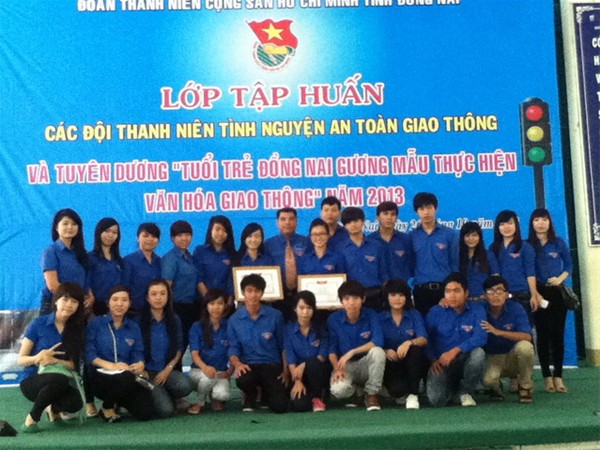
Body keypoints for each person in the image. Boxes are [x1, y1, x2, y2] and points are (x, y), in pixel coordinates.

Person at [18, 283, 85, 433]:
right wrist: (38, 357)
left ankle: (53, 410)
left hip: (62, 380)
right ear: (55, 301)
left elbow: (74, 365)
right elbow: (21, 360)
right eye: (65, 299)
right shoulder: (38, 324)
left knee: (75, 403)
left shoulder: (77, 330)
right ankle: (32, 419)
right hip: (33, 381)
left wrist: (55, 361)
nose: (69, 305)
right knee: (58, 379)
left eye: (74, 301)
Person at [85, 285, 153, 422]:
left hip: (125, 378)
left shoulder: (134, 327)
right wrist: (112, 366)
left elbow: (138, 352)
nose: (119, 304)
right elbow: (89, 354)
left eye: (124, 300)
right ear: (108, 303)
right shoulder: (96, 324)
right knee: (126, 377)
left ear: (130, 303)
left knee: (145, 412)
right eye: (115, 299)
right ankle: (107, 407)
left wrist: (140, 364)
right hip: (100, 376)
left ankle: (118, 402)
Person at [227, 274, 289, 413]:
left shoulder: (276, 316)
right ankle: (250, 395)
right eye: (249, 291)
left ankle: (266, 394)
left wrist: (285, 371)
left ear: (262, 293)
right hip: (249, 366)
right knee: (244, 379)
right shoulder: (234, 320)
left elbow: (283, 346)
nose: (253, 295)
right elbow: (233, 348)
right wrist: (238, 364)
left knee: (280, 407)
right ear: (243, 293)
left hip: (271, 365)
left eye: (257, 291)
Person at [527, 208, 573, 394]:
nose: (540, 223)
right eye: (536, 220)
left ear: (549, 222)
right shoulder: (528, 245)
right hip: (538, 293)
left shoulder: (558, 242)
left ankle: (558, 376)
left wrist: (561, 278)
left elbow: (569, 264)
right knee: (543, 335)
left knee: (558, 334)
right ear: (532, 223)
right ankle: (546, 376)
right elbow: (527, 270)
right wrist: (535, 293)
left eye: (544, 219)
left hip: (557, 293)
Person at [425, 272, 487, 408]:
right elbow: (426, 339)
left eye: (456, 291)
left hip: (465, 359)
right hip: (442, 362)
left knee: (479, 354)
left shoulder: (477, 310)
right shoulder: (435, 311)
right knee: (436, 401)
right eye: (448, 291)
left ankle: (465, 391)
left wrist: (455, 350)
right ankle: (454, 389)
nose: (452, 295)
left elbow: (481, 337)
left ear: (466, 293)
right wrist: (432, 359)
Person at [328, 280, 386, 411]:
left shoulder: (371, 315)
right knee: (338, 390)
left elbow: (378, 341)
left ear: (363, 299)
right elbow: (331, 349)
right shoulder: (333, 319)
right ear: (341, 301)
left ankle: (371, 394)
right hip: (345, 365)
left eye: (355, 298)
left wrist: (352, 352)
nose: (351, 302)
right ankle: (355, 392)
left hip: (366, 363)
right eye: (347, 299)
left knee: (378, 352)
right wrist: (337, 368)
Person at [140, 279, 193, 418]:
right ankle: (155, 395)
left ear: (168, 296)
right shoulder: (139, 321)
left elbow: (179, 348)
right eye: (154, 294)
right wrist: (142, 370)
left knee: (186, 385)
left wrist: (168, 369)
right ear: (147, 298)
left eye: (162, 293)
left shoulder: (175, 319)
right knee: (166, 411)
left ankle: (165, 393)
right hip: (147, 373)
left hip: (166, 371)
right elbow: (135, 350)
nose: (158, 297)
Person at [481, 275, 534, 403]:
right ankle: (496, 386)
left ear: (506, 294)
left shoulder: (516, 308)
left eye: (499, 291)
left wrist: (499, 332)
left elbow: (527, 336)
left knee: (525, 347)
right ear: (485, 295)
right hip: (492, 358)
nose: (495, 295)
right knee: (488, 380)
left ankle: (525, 386)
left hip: (512, 356)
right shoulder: (479, 310)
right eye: (490, 291)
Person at [378, 279, 428, 409]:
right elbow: (375, 342)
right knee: (397, 391)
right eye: (393, 295)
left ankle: (413, 394)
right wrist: (385, 351)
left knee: (416, 350)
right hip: (391, 362)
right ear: (387, 297)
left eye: (401, 295)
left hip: (411, 360)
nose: (397, 299)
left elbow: (423, 338)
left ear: (407, 297)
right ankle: (400, 390)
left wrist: (409, 342)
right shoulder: (379, 318)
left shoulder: (414, 314)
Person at [409, 193, 459, 316]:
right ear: (416, 212)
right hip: (421, 292)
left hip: (444, 291)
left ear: (436, 209)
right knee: (423, 326)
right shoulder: (411, 237)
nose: (426, 212)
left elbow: (455, 265)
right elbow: (410, 265)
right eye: (421, 208)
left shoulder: (449, 234)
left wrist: (451, 292)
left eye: (429, 207)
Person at [489, 210, 541, 322]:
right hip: (502, 297)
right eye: (502, 224)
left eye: (510, 223)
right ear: (497, 227)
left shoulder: (525, 247)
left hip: (522, 296)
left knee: (524, 329)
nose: (506, 227)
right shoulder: (493, 248)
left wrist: (534, 295)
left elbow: (530, 273)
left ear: (516, 225)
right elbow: (495, 274)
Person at [188, 289, 233, 414]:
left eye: (220, 303)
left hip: (221, 372)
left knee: (222, 395)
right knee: (208, 379)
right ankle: (200, 402)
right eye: (212, 303)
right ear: (206, 306)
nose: (216, 307)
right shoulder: (197, 326)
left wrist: (229, 372)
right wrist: (205, 368)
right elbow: (194, 354)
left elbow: (234, 352)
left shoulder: (229, 326)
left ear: (225, 306)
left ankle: (215, 398)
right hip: (199, 371)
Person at [285, 291, 330, 412]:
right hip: (298, 375)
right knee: (300, 406)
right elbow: (290, 357)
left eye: (309, 308)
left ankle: (318, 397)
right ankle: (308, 397)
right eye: (301, 308)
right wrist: (297, 381)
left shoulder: (321, 327)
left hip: (318, 373)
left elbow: (322, 356)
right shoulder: (288, 329)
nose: (305, 312)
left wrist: (304, 365)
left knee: (314, 364)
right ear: (295, 309)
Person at [336, 207, 389, 311]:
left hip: (375, 295)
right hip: (351, 298)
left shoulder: (377, 246)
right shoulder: (340, 248)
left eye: (356, 220)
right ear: (344, 226)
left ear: (363, 221)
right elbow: (339, 274)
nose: (353, 224)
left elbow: (383, 273)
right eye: (349, 222)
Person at [40, 208, 91, 315]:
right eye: (65, 223)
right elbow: (52, 285)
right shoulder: (51, 251)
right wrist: (71, 301)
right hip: (55, 305)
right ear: (56, 227)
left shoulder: (82, 253)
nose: (70, 227)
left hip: (77, 305)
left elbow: (85, 281)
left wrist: (90, 297)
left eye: (74, 224)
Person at [264, 207, 311, 320]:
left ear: (297, 222)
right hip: (278, 296)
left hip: (302, 294)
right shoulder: (268, 244)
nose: (287, 222)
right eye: (283, 219)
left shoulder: (307, 242)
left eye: (291, 219)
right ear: (277, 222)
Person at [161, 220, 201, 349]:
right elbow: (166, 286)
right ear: (172, 238)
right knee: (178, 344)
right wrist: (169, 311)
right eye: (179, 235)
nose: (184, 238)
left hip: (193, 308)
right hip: (177, 308)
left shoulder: (191, 257)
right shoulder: (170, 259)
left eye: (187, 235)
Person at [122, 223, 162, 317]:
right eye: (145, 235)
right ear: (138, 238)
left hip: (155, 312)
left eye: (154, 236)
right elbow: (124, 287)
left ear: (158, 240)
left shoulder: (160, 261)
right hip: (133, 312)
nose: (150, 239)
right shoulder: (128, 261)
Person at [193, 215, 235, 301]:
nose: (221, 233)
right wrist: (210, 301)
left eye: (225, 230)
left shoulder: (232, 254)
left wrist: (228, 302)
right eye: (217, 229)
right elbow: (198, 278)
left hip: (225, 302)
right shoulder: (200, 251)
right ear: (210, 230)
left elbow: (232, 281)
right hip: (203, 301)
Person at [369, 201, 413, 283]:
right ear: (377, 217)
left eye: (393, 214)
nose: (389, 217)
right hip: (377, 288)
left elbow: (411, 265)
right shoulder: (370, 241)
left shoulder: (405, 239)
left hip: (400, 287)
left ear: (396, 218)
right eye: (385, 214)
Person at [88, 217, 123, 316]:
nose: (110, 235)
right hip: (95, 309)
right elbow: (86, 283)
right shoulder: (90, 258)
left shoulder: (119, 260)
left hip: (117, 308)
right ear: (99, 232)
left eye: (114, 232)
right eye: (107, 231)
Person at [459, 222, 498, 301]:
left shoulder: (488, 255)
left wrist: (491, 295)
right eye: (467, 236)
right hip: (462, 302)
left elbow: (496, 278)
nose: (471, 238)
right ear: (462, 238)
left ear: (480, 237)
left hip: (484, 301)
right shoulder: (457, 256)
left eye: (474, 235)